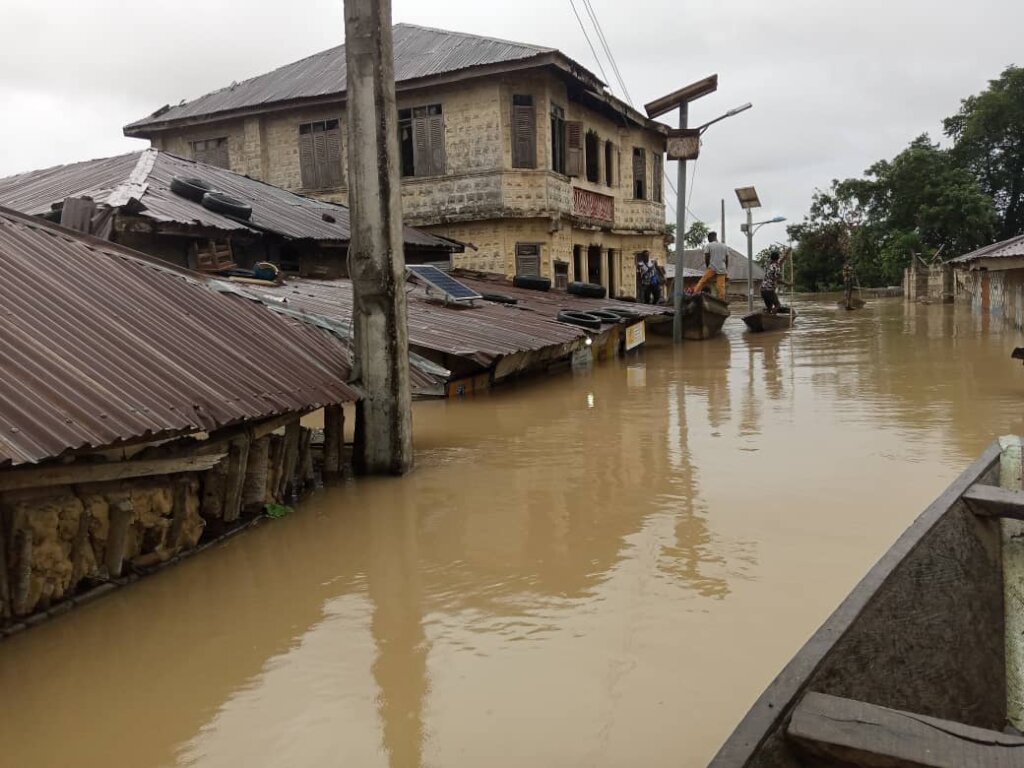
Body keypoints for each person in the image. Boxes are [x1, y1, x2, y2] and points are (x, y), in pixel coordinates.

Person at [692, 232, 729, 300]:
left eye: (708, 239)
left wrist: (707, 267)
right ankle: (721, 300)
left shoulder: (709, 245)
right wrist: (725, 269)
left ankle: (694, 294)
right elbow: (727, 259)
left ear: (710, 238)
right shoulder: (724, 246)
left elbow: (707, 257)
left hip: (712, 267)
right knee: (721, 286)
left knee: (702, 281)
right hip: (722, 268)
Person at [761, 248, 790, 314]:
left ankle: (768, 317)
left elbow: (781, 260)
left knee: (769, 308)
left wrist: (787, 252)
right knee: (777, 305)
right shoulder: (776, 267)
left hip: (763, 290)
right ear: (777, 258)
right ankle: (773, 318)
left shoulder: (768, 265)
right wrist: (788, 284)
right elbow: (778, 280)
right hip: (769, 290)